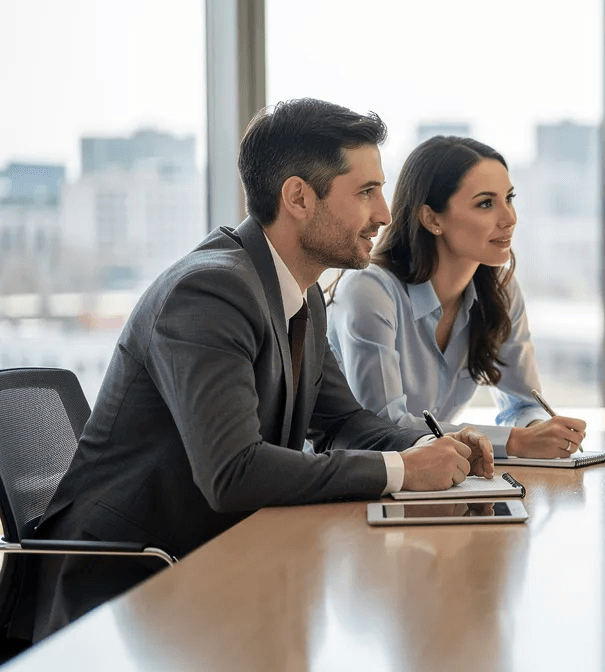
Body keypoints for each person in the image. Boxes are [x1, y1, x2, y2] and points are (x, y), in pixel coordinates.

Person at [25, 98, 494, 641]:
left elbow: (346, 421)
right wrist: (402, 471)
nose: (386, 213)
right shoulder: (211, 291)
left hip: (205, 562)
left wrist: (434, 446)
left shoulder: (302, 296)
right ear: (298, 197)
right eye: (366, 191)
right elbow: (233, 472)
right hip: (123, 591)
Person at [326, 136, 586, 458]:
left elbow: (523, 403)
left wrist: (537, 430)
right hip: (345, 482)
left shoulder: (499, 289)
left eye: (509, 198)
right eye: (486, 203)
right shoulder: (369, 291)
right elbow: (385, 426)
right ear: (432, 219)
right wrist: (515, 441)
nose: (509, 218)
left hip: (430, 477)